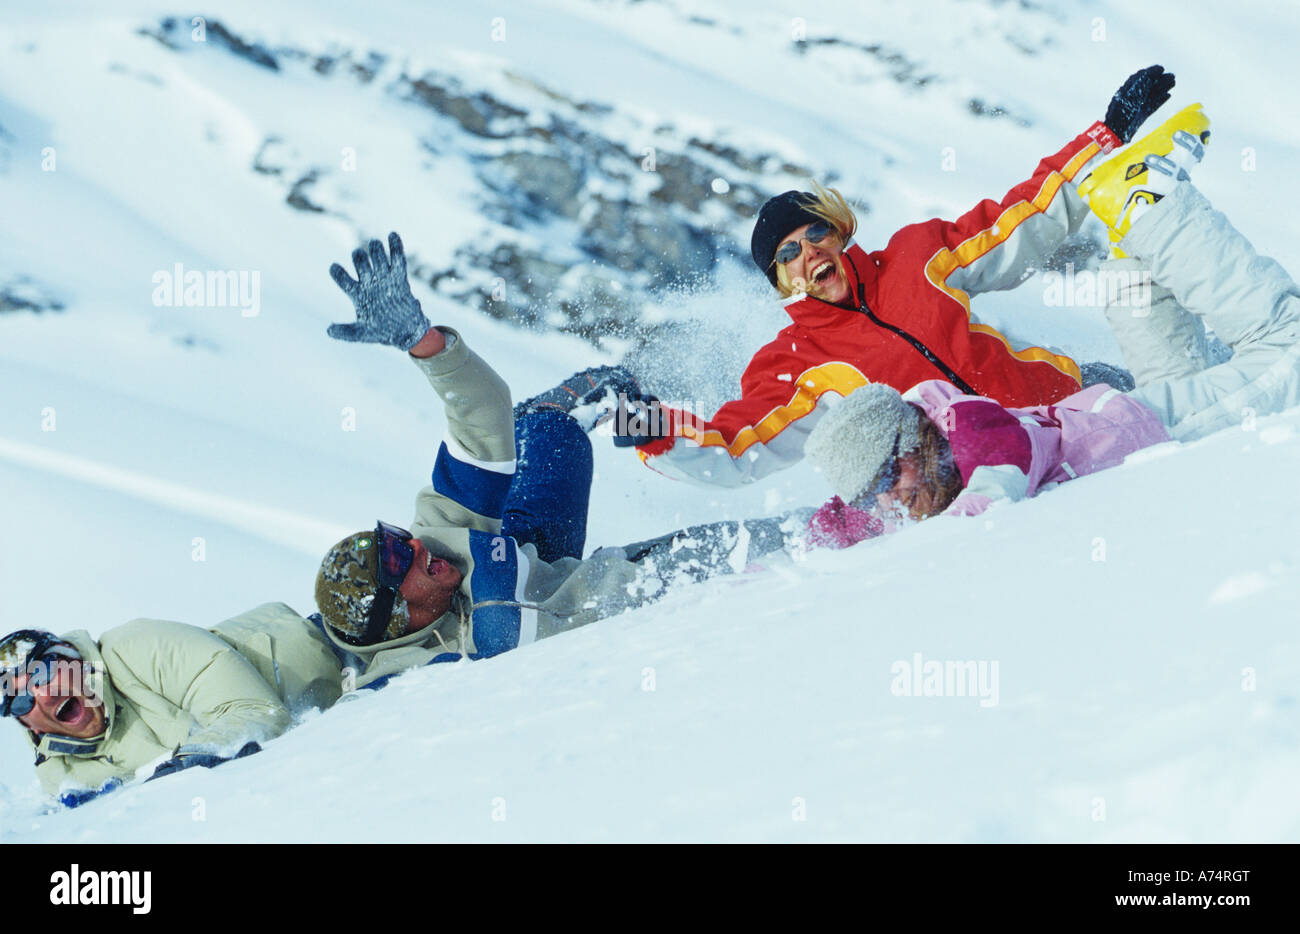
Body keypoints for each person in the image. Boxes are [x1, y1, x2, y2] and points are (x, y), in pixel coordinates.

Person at [615, 66, 1202, 488]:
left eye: (814, 233)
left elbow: (1020, 219)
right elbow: (737, 446)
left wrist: (1104, 135)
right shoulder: (794, 364)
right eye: (787, 254)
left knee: (1213, 408)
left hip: (1080, 405)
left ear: (838, 234)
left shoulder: (916, 257)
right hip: (989, 486)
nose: (806, 253)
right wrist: (657, 432)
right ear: (781, 283)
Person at [313, 234, 801, 689]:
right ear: (397, 615)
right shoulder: (426, 675)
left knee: (548, 434)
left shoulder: (443, 536)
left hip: (523, 544)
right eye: (402, 559)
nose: (416, 544)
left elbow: (481, 416)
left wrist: (422, 342)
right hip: (568, 597)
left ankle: (563, 410)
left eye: (398, 539)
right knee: (685, 562)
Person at [800, 123, 1300, 540]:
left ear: (912, 441)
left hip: (1133, 430)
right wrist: (819, 538)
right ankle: (1134, 244)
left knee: (1288, 357)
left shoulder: (969, 430)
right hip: (1117, 424)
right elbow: (853, 509)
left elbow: (998, 473)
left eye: (887, 477)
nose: (888, 498)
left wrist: (1103, 134)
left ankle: (1154, 203)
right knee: (1179, 372)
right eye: (872, 492)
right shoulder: (912, 467)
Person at [0, 604, 343, 807]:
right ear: (29, 725)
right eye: (21, 701)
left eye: (42, 672)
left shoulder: (134, 648)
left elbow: (255, 712)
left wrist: (183, 766)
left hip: (341, 644)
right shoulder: (60, 775)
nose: (42, 697)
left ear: (72, 657)